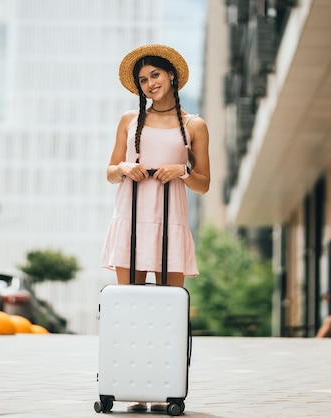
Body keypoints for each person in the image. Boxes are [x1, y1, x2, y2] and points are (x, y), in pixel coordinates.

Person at [101, 44, 210, 412]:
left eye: (155, 76)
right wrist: (124, 169)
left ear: (172, 76)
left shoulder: (195, 125)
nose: (149, 84)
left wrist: (182, 171)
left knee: (169, 313)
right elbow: (110, 171)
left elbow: (204, 183)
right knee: (130, 307)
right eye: (143, 80)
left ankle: (165, 387)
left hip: (170, 222)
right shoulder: (129, 120)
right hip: (131, 218)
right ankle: (134, 387)